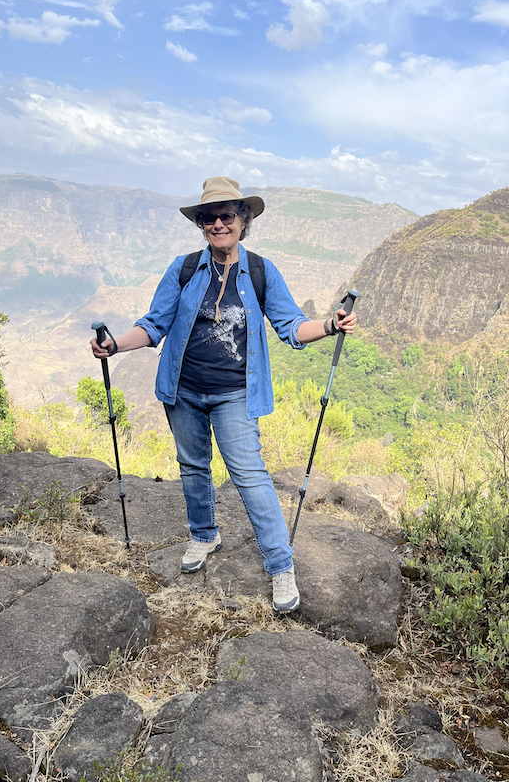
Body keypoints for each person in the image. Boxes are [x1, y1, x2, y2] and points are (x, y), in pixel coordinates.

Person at [90, 176, 357, 612]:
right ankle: (204, 534)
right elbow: (153, 324)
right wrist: (115, 344)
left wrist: (330, 325)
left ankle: (279, 565)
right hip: (183, 389)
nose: (217, 224)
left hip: (235, 393)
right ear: (201, 224)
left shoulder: (260, 272)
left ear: (243, 221)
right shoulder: (183, 268)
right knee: (193, 466)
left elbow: (291, 326)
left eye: (226, 216)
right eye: (208, 218)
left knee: (249, 473)